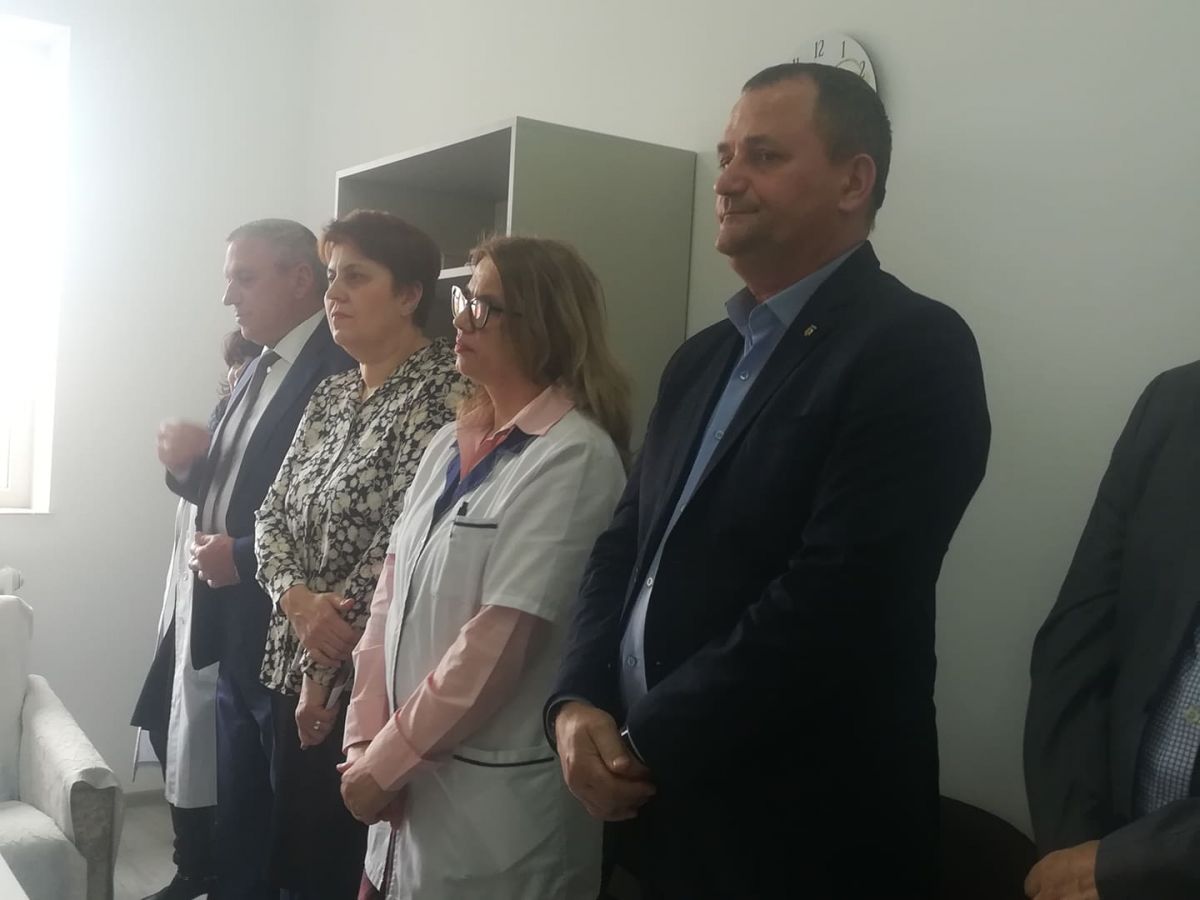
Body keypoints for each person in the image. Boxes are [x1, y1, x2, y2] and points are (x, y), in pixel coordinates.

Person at [546, 62, 991, 898]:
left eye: (763, 155)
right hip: (661, 814)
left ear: (854, 181)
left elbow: (840, 597)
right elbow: (623, 546)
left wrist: (644, 737)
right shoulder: (700, 358)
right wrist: (576, 701)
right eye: (725, 155)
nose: (726, 180)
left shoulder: (912, 347)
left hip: (800, 831)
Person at [337, 235, 629, 899]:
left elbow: (498, 645)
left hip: (493, 814)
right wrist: (362, 744)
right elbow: (387, 598)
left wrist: (386, 761)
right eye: (463, 300)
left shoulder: (574, 457)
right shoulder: (448, 442)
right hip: (400, 786)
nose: (461, 319)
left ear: (543, 323)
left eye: (484, 306)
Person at [254, 210, 468, 899]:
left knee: (345, 865)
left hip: (363, 685)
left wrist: (322, 666)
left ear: (409, 294)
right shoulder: (331, 392)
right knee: (293, 855)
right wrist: (295, 600)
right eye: (330, 278)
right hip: (290, 660)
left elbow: (400, 544)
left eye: (356, 277)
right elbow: (270, 514)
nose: (334, 294)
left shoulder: (445, 390)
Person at [159, 218, 354, 900]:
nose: (229, 297)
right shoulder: (257, 364)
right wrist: (187, 466)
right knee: (240, 804)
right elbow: (230, 481)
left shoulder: (339, 367)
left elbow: (331, 516)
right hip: (231, 622)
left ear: (300, 279)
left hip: (285, 627)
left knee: (284, 816)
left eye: (244, 278)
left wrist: (240, 556)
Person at [1024, 362, 1200, 900]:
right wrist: (1072, 846)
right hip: (1103, 857)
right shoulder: (1176, 402)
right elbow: (1078, 640)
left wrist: (1134, 864)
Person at [132, 329, 260, 900]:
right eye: (233, 366)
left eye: (246, 364)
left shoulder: (263, 432)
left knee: (204, 743)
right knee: (166, 724)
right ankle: (195, 864)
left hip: (231, 609)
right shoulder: (223, 424)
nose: (236, 375)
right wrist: (186, 462)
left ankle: (201, 867)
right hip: (190, 609)